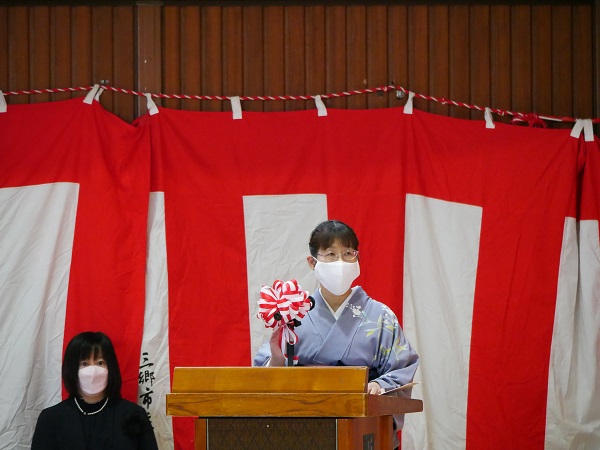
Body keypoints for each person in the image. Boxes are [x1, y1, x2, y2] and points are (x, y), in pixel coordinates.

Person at [253, 220, 419, 448]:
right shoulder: (293, 314)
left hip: (364, 425)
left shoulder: (381, 316)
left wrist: (379, 386)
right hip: (305, 427)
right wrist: (277, 361)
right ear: (312, 262)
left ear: (357, 259)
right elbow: (262, 377)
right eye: (331, 254)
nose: (340, 261)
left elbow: (402, 367)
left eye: (348, 253)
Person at [32, 331, 158, 450]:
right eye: (84, 363)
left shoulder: (134, 414)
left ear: (111, 367)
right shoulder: (51, 418)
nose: (93, 370)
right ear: (71, 369)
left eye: (100, 362)